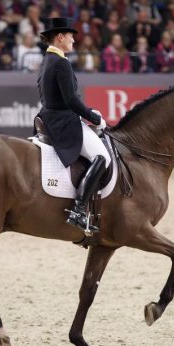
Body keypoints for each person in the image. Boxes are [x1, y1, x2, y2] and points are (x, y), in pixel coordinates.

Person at [36, 17, 109, 233]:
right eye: (71, 37)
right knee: (102, 157)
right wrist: (94, 118)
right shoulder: (61, 63)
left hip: (50, 117)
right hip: (63, 122)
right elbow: (71, 101)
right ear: (60, 37)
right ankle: (78, 209)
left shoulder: (47, 59)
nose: (73, 41)